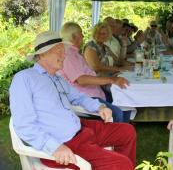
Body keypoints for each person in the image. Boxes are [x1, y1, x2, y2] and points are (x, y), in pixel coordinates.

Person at [9, 31, 136, 170]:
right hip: (65, 144)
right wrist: (55, 147)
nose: (64, 56)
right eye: (59, 52)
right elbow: (24, 125)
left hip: (82, 129)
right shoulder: (24, 79)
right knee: (122, 164)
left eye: (64, 52)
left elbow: (79, 97)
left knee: (127, 131)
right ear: (42, 54)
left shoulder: (56, 77)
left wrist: (99, 107)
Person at [59, 22, 131, 122]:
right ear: (74, 36)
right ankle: (116, 134)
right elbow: (81, 79)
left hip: (95, 91)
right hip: (85, 97)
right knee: (118, 112)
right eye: (81, 33)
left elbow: (118, 61)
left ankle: (124, 132)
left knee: (125, 102)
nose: (83, 36)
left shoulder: (73, 52)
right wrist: (111, 79)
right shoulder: (69, 54)